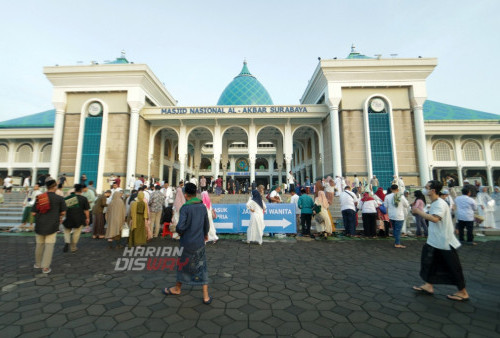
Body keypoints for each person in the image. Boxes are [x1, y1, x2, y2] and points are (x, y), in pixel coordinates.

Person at [412, 180, 470, 302]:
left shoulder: (439, 203)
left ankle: (463, 292)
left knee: (453, 267)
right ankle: (428, 285)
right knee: (429, 262)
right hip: (435, 240)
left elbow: (435, 218)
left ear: (433, 190)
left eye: (427, 187)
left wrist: (419, 212)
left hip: (444, 241)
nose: (425, 189)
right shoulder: (435, 203)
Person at [162, 182, 212, 304]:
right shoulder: (202, 206)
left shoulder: (186, 207)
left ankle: (177, 288)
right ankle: (206, 296)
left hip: (187, 242)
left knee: (183, 265)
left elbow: (181, 226)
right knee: (201, 266)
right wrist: (205, 234)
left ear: (185, 194)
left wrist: (179, 231)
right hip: (199, 242)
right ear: (196, 193)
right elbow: (206, 225)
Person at [32, 180, 67, 273]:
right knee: (49, 246)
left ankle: (38, 264)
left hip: (40, 224)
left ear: (46, 187)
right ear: (55, 187)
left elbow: (33, 212)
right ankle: (45, 267)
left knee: (39, 245)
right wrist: (59, 217)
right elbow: (63, 212)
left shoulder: (40, 197)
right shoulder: (59, 198)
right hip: (52, 225)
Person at [62, 184, 90, 253]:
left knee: (67, 230)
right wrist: (87, 218)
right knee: (76, 233)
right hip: (79, 218)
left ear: (75, 190)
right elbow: (86, 210)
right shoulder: (84, 199)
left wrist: (62, 217)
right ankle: (73, 247)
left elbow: (65, 209)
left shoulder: (70, 198)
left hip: (69, 216)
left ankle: (67, 241)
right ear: (81, 190)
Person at [384, 184, 409, 248]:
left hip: (391, 215)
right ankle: (397, 243)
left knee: (395, 229)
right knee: (398, 230)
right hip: (399, 215)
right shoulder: (401, 196)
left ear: (391, 189)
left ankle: (396, 240)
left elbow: (385, 206)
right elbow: (407, 205)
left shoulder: (387, 196)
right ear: (397, 189)